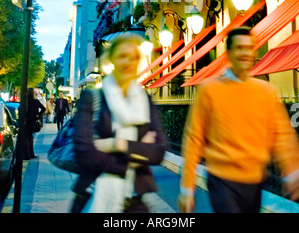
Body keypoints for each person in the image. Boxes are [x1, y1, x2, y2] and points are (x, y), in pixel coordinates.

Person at [178, 27, 299, 214]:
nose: (245, 53)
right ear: (229, 53)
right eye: (239, 48)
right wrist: (187, 186)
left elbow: (282, 134)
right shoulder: (209, 90)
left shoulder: (266, 91)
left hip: (255, 180)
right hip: (221, 179)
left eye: (249, 48)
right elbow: (194, 138)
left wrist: (292, 171)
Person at [71, 33, 167, 213]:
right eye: (123, 56)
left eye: (134, 57)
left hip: (134, 201)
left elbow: (158, 152)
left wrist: (118, 144)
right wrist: (137, 154)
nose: (128, 62)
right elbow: (84, 152)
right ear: (112, 59)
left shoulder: (144, 99)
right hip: (93, 194)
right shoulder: (92, 98)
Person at [23, 87, 46, 160]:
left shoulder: (25, 101)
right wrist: (38, 115)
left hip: (26, 121)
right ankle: (31, 153)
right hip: (33, 121)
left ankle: (26, 154)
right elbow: (43, 108)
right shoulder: (36, 101)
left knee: (26, 137)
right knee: (30, 137)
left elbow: (20, 109)